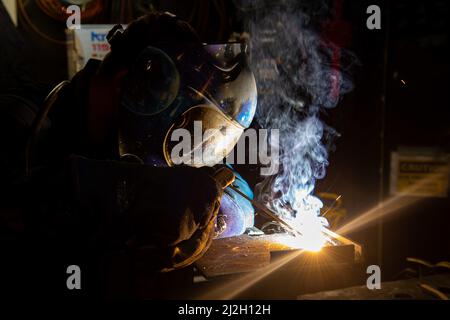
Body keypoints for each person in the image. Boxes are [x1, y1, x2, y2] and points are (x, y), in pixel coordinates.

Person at [0, 12, 257, 298]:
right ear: (133, 87)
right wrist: (130, 196)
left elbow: (234, 188)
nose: (185, 150)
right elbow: (25, 205)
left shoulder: (156, 145)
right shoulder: (22, 127)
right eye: (182, 128)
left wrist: (218, 214)